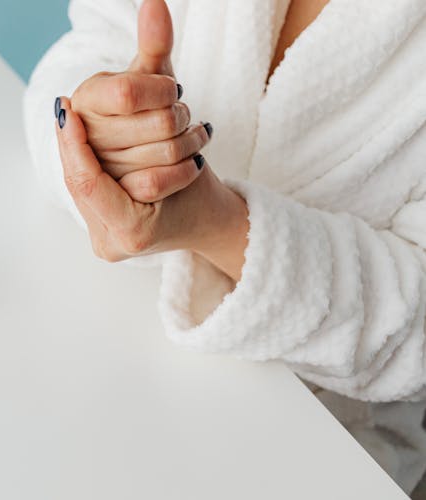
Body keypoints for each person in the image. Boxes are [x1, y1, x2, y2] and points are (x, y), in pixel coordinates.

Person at [24, 0, 426, 495]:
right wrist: (97, 139)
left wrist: (215, 222)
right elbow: (88, 48)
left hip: (326, 443)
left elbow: (418, 333)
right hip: (108, 366)